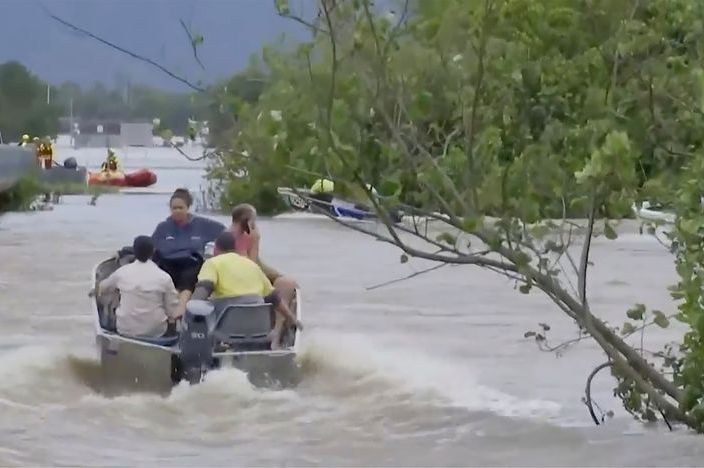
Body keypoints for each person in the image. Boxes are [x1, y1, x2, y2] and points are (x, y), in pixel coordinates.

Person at [193, 232, 302, 350]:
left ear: (216, 249)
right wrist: (292, 319)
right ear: (235, 248)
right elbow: (275, 299)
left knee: (202, 310)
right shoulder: (251, 265)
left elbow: (204, 289)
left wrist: (189, 310)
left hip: (228, 328)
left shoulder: (212, 263)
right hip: (259, 329)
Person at [152, 188, 226, 318]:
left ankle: (180, 312)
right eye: (174, 208)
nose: (177, 211)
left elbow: (226, 234)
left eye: (181, 208)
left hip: (191, 263)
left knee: (189, 277)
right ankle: (168, 312)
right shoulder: (163, 227)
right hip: (169, 263)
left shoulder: (202, 224)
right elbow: (150, 245)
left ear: (188, 207)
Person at [213, 203, 300, 307]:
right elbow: (249, 269)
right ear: (247, 221)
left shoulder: (245, 236)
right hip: (239, 283)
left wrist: (277, 275)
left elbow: (258, 262)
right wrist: (255, 242)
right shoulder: (229, 238)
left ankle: (279, 321)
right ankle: (278, 320)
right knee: (283, 287)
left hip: (249, 279)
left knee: (287, 283)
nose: (255, 224)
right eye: (254, 220)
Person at [97, 235, 180, 337]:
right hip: (156, 331)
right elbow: (172, 310)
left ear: (134, 252)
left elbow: (102, 288)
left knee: (112, 291)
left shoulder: (122, 272)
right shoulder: (164, 277)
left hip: (124, 329)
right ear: (153, 252)